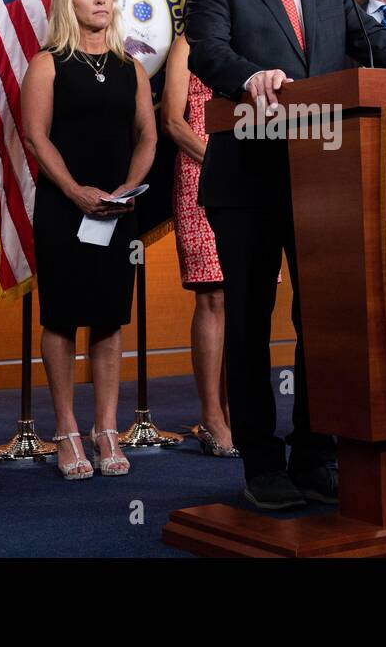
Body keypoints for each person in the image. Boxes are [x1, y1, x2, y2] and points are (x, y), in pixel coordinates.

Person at [184, 0, 386, 510]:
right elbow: (206, 51)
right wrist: (252, 76)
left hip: (323, 181)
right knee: (248, 323)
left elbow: (376, 46)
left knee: (320, 322)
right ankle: (260, 460)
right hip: (247, 178)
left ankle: (313, 452)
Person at [22, 0, 156, 480]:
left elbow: (147, 135)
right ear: (67, 4)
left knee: (108, 316)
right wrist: (77, 191)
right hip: (63, 205)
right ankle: (67, 431)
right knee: (60, 317)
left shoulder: (132, 67)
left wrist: (127, 188)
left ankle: (106, 428)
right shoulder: (49, 62)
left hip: (119, 209)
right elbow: (36, 136)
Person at [161, 32, 236, 458]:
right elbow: (173, 121)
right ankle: (211, 416)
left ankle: (236, 409)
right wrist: (220, 162)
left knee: (247, 295)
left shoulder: (252, 36)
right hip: (201, 173)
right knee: (213, 293)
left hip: (251, 177)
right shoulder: (188, 44)